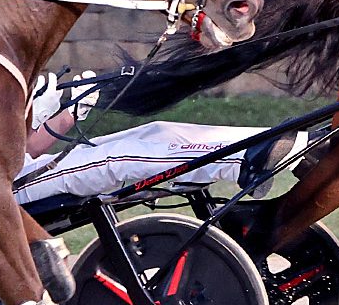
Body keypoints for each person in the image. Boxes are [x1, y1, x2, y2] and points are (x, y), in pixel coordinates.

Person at [17, 70, 306, 206]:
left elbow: (30, 147)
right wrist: (37, 118)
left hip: (28, 168)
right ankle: (241, 161)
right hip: (14, 187)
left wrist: (70, 113)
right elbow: (14, 157)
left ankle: (270, 141)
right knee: (119, 157)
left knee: (157, 131)